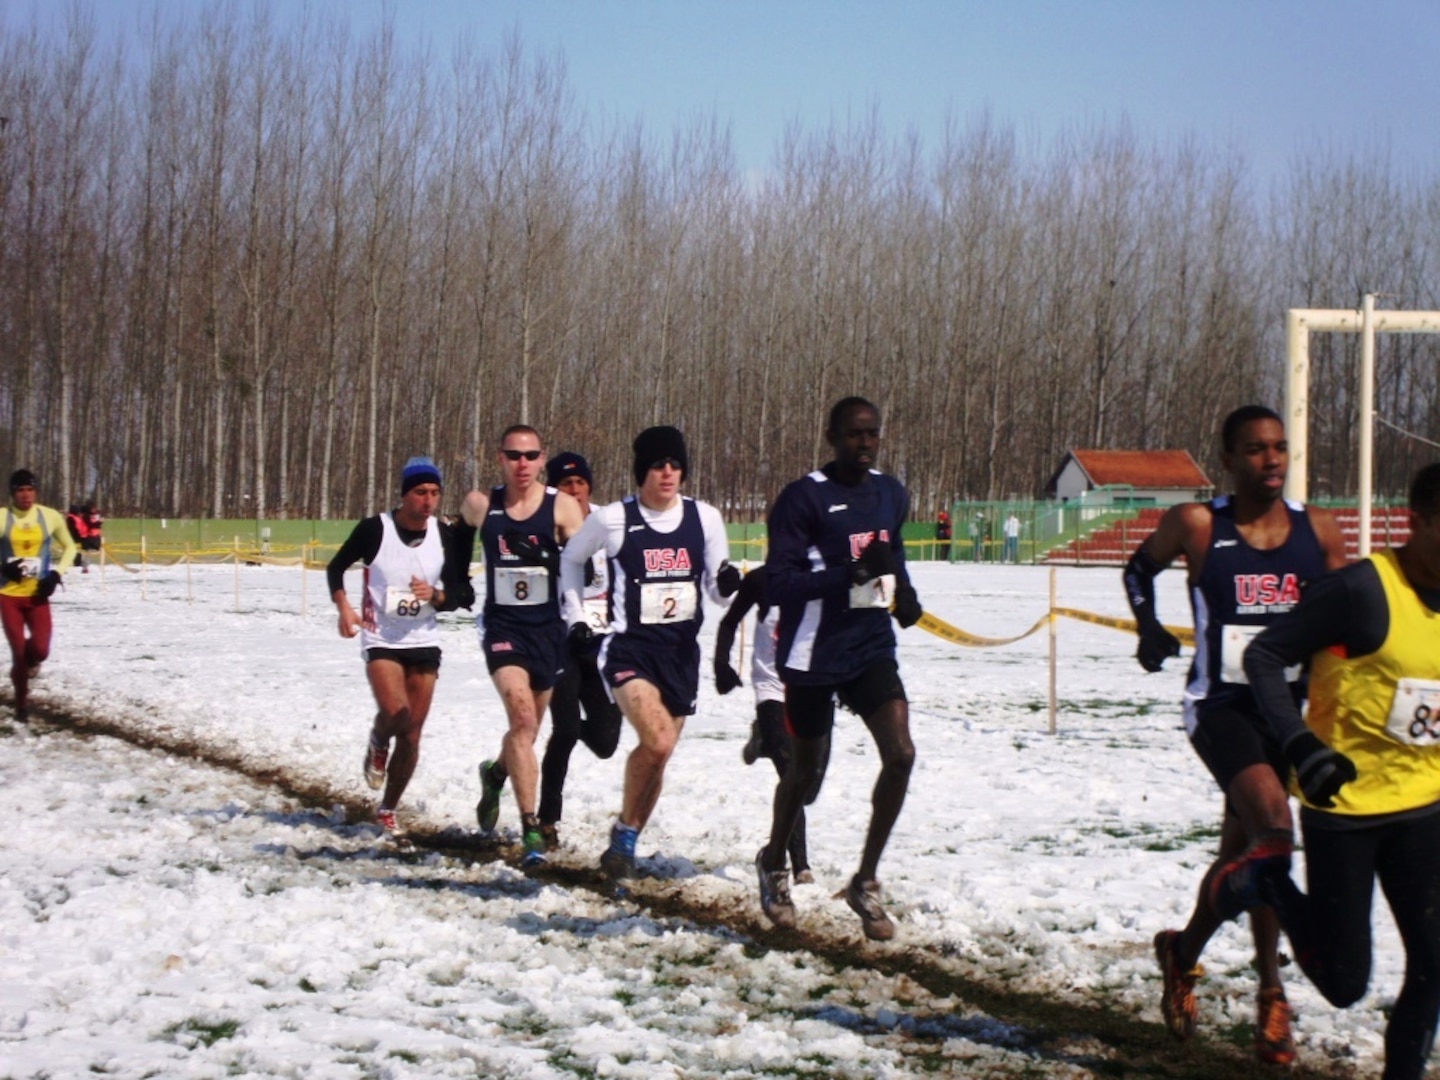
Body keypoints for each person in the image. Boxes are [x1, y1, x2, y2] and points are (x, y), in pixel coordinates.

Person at [1122, 404, 1345, 1065]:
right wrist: (1150, 628)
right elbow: (1138, 571)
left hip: (1290, 714)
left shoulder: (1320, 532)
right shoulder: (1197, 524)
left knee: (1246, 852)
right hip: (1218, 706)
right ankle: (1273, 994)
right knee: (1274, 827)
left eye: (1278, 448)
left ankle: (1182, 952)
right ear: (1228, 459)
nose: (1271, 460)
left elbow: (1341, 622)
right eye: (1254, 449)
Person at [1239, 462, 1440, 1080]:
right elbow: (1265, 655)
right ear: (1419, 522)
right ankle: (1269, 878)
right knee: (1344, 984)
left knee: (1435, 966)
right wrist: (1300, 744)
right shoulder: (1361, 589)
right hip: (1345, 810)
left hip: (1424, 807)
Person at [755, 397, 923, 941]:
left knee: (901, 754)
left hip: (869, 646)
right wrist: (845, 576)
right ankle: (774, 861)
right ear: (831, 436)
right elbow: (779, 583)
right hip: (811, 653)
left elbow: (891, 553)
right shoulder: (803, 499)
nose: (865, 444)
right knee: (802, 777)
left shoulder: (890, 493)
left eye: (873, 434)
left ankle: (865, 881)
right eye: (854, 434)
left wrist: (908, 596)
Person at [559, 426, 739, 882]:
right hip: (629, 652)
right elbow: (571, 559)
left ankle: (624, 839)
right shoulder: (614, 519)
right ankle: (624, 840)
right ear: (642, 470)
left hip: (680, 656)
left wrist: (728, 583)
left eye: (675, 465)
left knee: (660, 752)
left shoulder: (706, 519)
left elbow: (718, 593)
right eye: (658, 465)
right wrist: (576, 612)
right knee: (657, 740)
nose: (668, 473)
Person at [460, 426, 585, 864]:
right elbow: (460, 527)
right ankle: (530, 826)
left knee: (526, 732)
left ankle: (495, 774)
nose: (522, 464)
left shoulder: (563, 507)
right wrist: (455, 580)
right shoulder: (482, 505)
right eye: (514, 455)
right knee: (523, 718)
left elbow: (586, 567)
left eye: (530, 456)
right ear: (500, 458)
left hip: (547, 632)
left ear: (541, 458)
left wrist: (548, 557)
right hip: (503, 630)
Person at [327, 456, 463, 833]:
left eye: (435, 493)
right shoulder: (376, 530)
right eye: (420, 492)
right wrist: (344, 607)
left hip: (424, 640)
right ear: (404, 495)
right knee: (398, 714)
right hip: (382, 638)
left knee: (414, 734)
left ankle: (388, 807)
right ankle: (377, 738)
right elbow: (335, 567)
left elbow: (460, 595)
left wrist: (435, 595)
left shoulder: (444, 535)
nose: (428, 501)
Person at [536, 451, 623, 849]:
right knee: (567, 730)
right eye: (565, 485)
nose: (574, 491)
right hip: (561, 642)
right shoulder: (543, 526)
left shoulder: (609, 522)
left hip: (603, 643)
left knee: (606, 742)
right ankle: (547, 819)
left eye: (580, 483)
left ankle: (504, 767)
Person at [713, 563, 812, 881]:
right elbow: (729, 623)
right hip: (770, 688)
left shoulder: (825, 577)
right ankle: (800, 866)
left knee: (808, 786)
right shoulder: (761, 579)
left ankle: (765, 740)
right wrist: (722, 665)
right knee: (792, 774)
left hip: (809, 688)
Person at [0, 470, 78, 723]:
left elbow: (70, 547)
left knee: (40, 650)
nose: (26, 495)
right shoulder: (3, 517)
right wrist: (4, 568)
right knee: (19, 653)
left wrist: (55, 574)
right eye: (20, 490)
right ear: (12, 493)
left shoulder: (49, 516)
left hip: (37, 595)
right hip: (8, 595)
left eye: (30, 490)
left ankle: (30, 663)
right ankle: (21, 706)